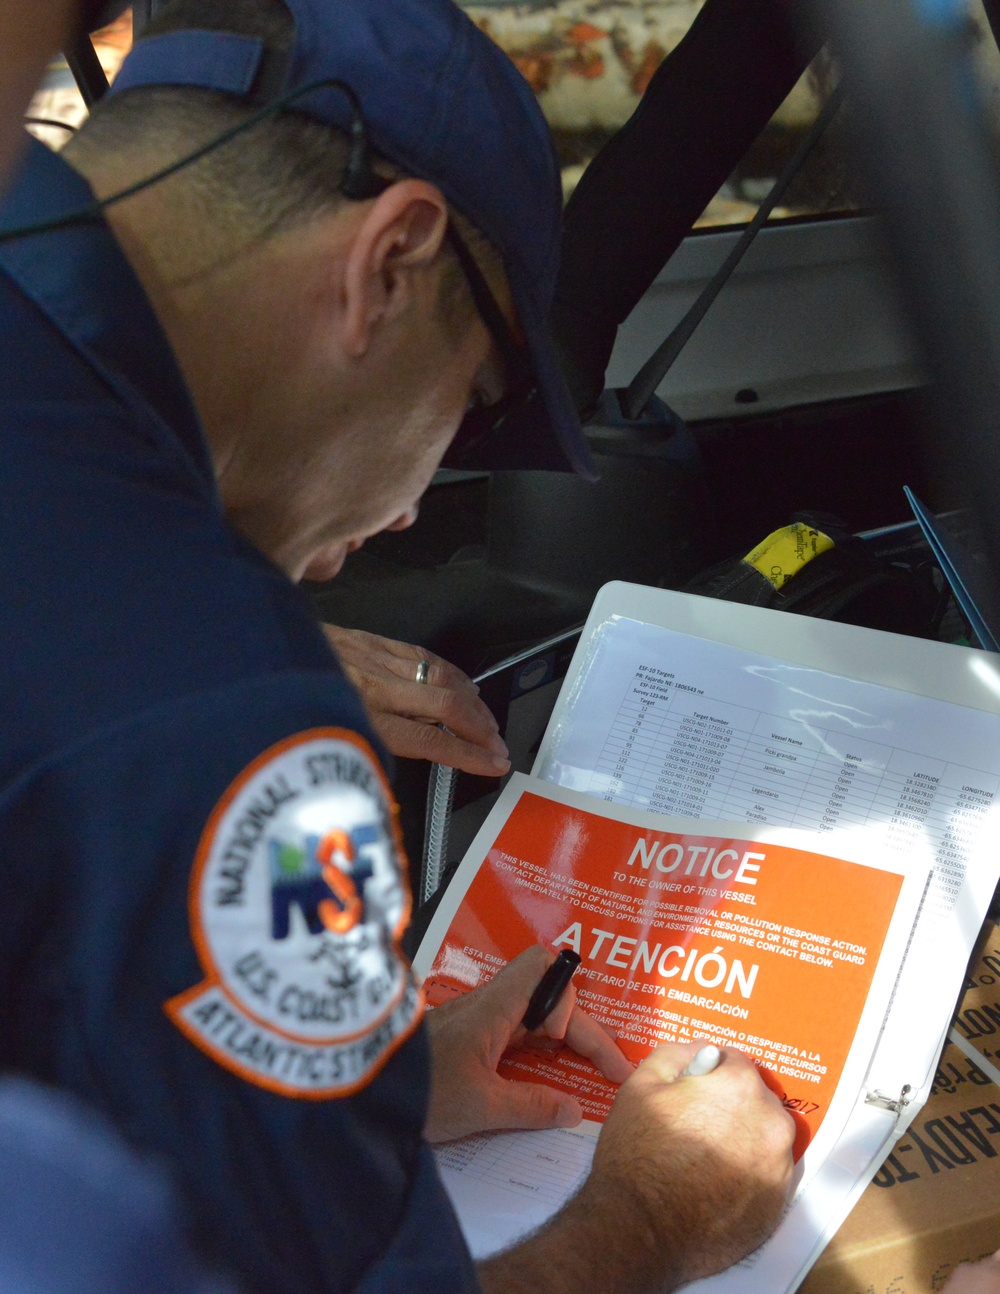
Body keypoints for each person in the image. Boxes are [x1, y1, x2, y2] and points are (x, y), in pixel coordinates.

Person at [0, 0, 794, 1289]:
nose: (420, 507)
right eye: (472, 404)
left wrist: (358, 1089)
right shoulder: (227, 709)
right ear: (391, 258)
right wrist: (657, 1213)